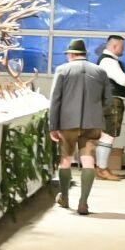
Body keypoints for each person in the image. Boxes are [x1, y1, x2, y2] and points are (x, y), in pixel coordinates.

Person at [48, 40, 110, 214]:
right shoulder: (100, 71)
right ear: (84, 54)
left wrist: (53, 125)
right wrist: (97, 113)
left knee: (66, 160)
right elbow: (108, 100)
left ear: (71, 54)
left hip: (68, 123)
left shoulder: (62, 70)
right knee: (88, 161)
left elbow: (55, 100)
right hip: (93, 123)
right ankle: (83, 203)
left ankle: (65, 198)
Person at [96, 35, 125, 177]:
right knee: (109, 135)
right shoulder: (108, 61)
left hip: (109, 100)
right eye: (122, 47)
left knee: (107, 135)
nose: (123, 50)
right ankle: (102, 169)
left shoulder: (108, 59)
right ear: (114, 46)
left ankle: (102, 167)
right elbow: (122, 80)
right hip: (112, 101)